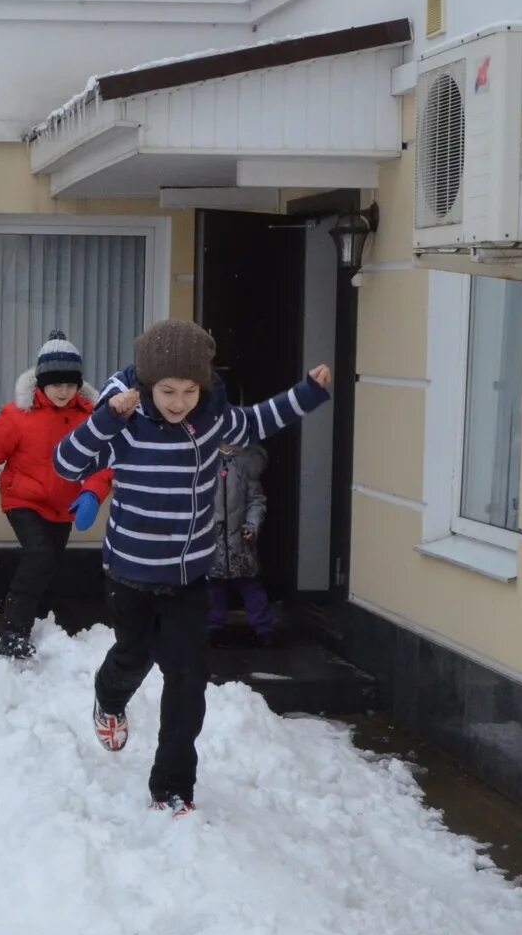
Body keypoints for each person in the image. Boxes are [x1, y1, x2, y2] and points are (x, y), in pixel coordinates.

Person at [54, 320, 330, 816]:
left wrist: (309, 393)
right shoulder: (125, 423)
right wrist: (105, 422)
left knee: (187, 679)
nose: (178, 401)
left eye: (188, 390)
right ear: (147, 386)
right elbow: (66, 464)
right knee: (132, 657)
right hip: (129, 574)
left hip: (188, 579)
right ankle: (109, 696)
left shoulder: (214, 421)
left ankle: (173, 786)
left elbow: (261, 420)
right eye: (166, 391)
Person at [0, 331, 116, 659]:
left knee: (48, 565)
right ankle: (13, 631)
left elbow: (104, 463)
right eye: (56, 384)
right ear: (41, 384)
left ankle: (40, 624)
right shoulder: (18, 416)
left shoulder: (91, 419)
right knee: (39, 556)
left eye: (69, 384)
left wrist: (93, 494)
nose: (63, 391)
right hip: (23, 500)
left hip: (64, 507)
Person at [207, 442, 275, 647]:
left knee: (251, 588)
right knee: (213, 589)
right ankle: (212, 628)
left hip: (240, 541)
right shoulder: (206, 464)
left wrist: (252, 525)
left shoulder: (244, 467)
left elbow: (256, 500)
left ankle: (264, 630)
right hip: (213, 541)